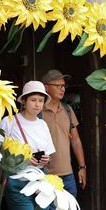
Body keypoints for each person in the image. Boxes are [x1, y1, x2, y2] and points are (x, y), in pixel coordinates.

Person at [0, 81, 55, 210]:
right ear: (24, 101)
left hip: (39, 179)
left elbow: (49, 153)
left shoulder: (43, 125)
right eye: (33, 100)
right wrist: (23, 161)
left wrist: (47, 159)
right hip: (17, 180)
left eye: (41, 100)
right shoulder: (10, 121)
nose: (38, 104)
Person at [41, 69, 86, 198]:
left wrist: (82, 167)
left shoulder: (67, 110)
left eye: (63, 86)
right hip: (46, 175)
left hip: (68, 175)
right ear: (46, 87)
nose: (63, 89)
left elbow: (76, 141)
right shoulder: (38, 112)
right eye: (58, 86)